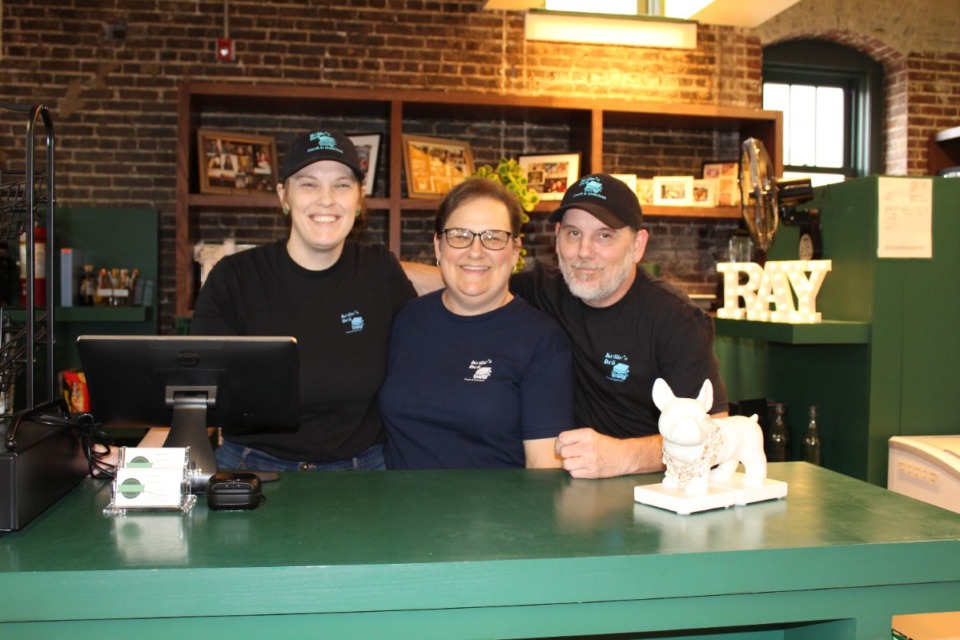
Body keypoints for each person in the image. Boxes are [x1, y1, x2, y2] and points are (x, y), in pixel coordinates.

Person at [402, 173, 727, 479]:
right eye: (574, 233)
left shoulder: (674, 320)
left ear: (638, 245)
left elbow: (719, 436)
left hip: (654, 488)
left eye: (604, 236)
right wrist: (382, 276)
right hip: (576, 492)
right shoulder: (544, 290)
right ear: (557, 239)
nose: (584, 252)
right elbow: (475, 277)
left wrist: (624, 457)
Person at [191, 128, 417, 472]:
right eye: (308, 183)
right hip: (253, 468)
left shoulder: (381, 271)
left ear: (358, 198)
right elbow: (193, 391)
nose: (326, 199)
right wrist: (144, 466)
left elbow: (425, 346)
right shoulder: (234, 277)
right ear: (284, 196)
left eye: (341, 184)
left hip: (364, 472)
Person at [379, 178, 574, 470]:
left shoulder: (542, 341)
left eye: (493, 237)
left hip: (496, 513)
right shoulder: (406, 320)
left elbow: (544, 473)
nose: (475, 251)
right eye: (460, 235)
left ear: (514, 251)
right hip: (398, 511)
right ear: (438, 246)